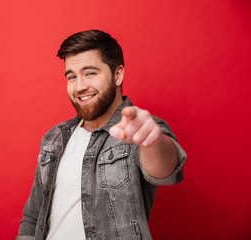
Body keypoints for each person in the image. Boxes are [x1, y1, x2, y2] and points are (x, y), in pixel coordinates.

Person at [17, 30, 187, 240]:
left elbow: (167, 171)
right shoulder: (54, 138)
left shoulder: (138, 131)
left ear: (118, 75)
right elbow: (33, 217)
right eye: (72, 76)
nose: (80, 86)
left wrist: (152, 142)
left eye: (90, 73)